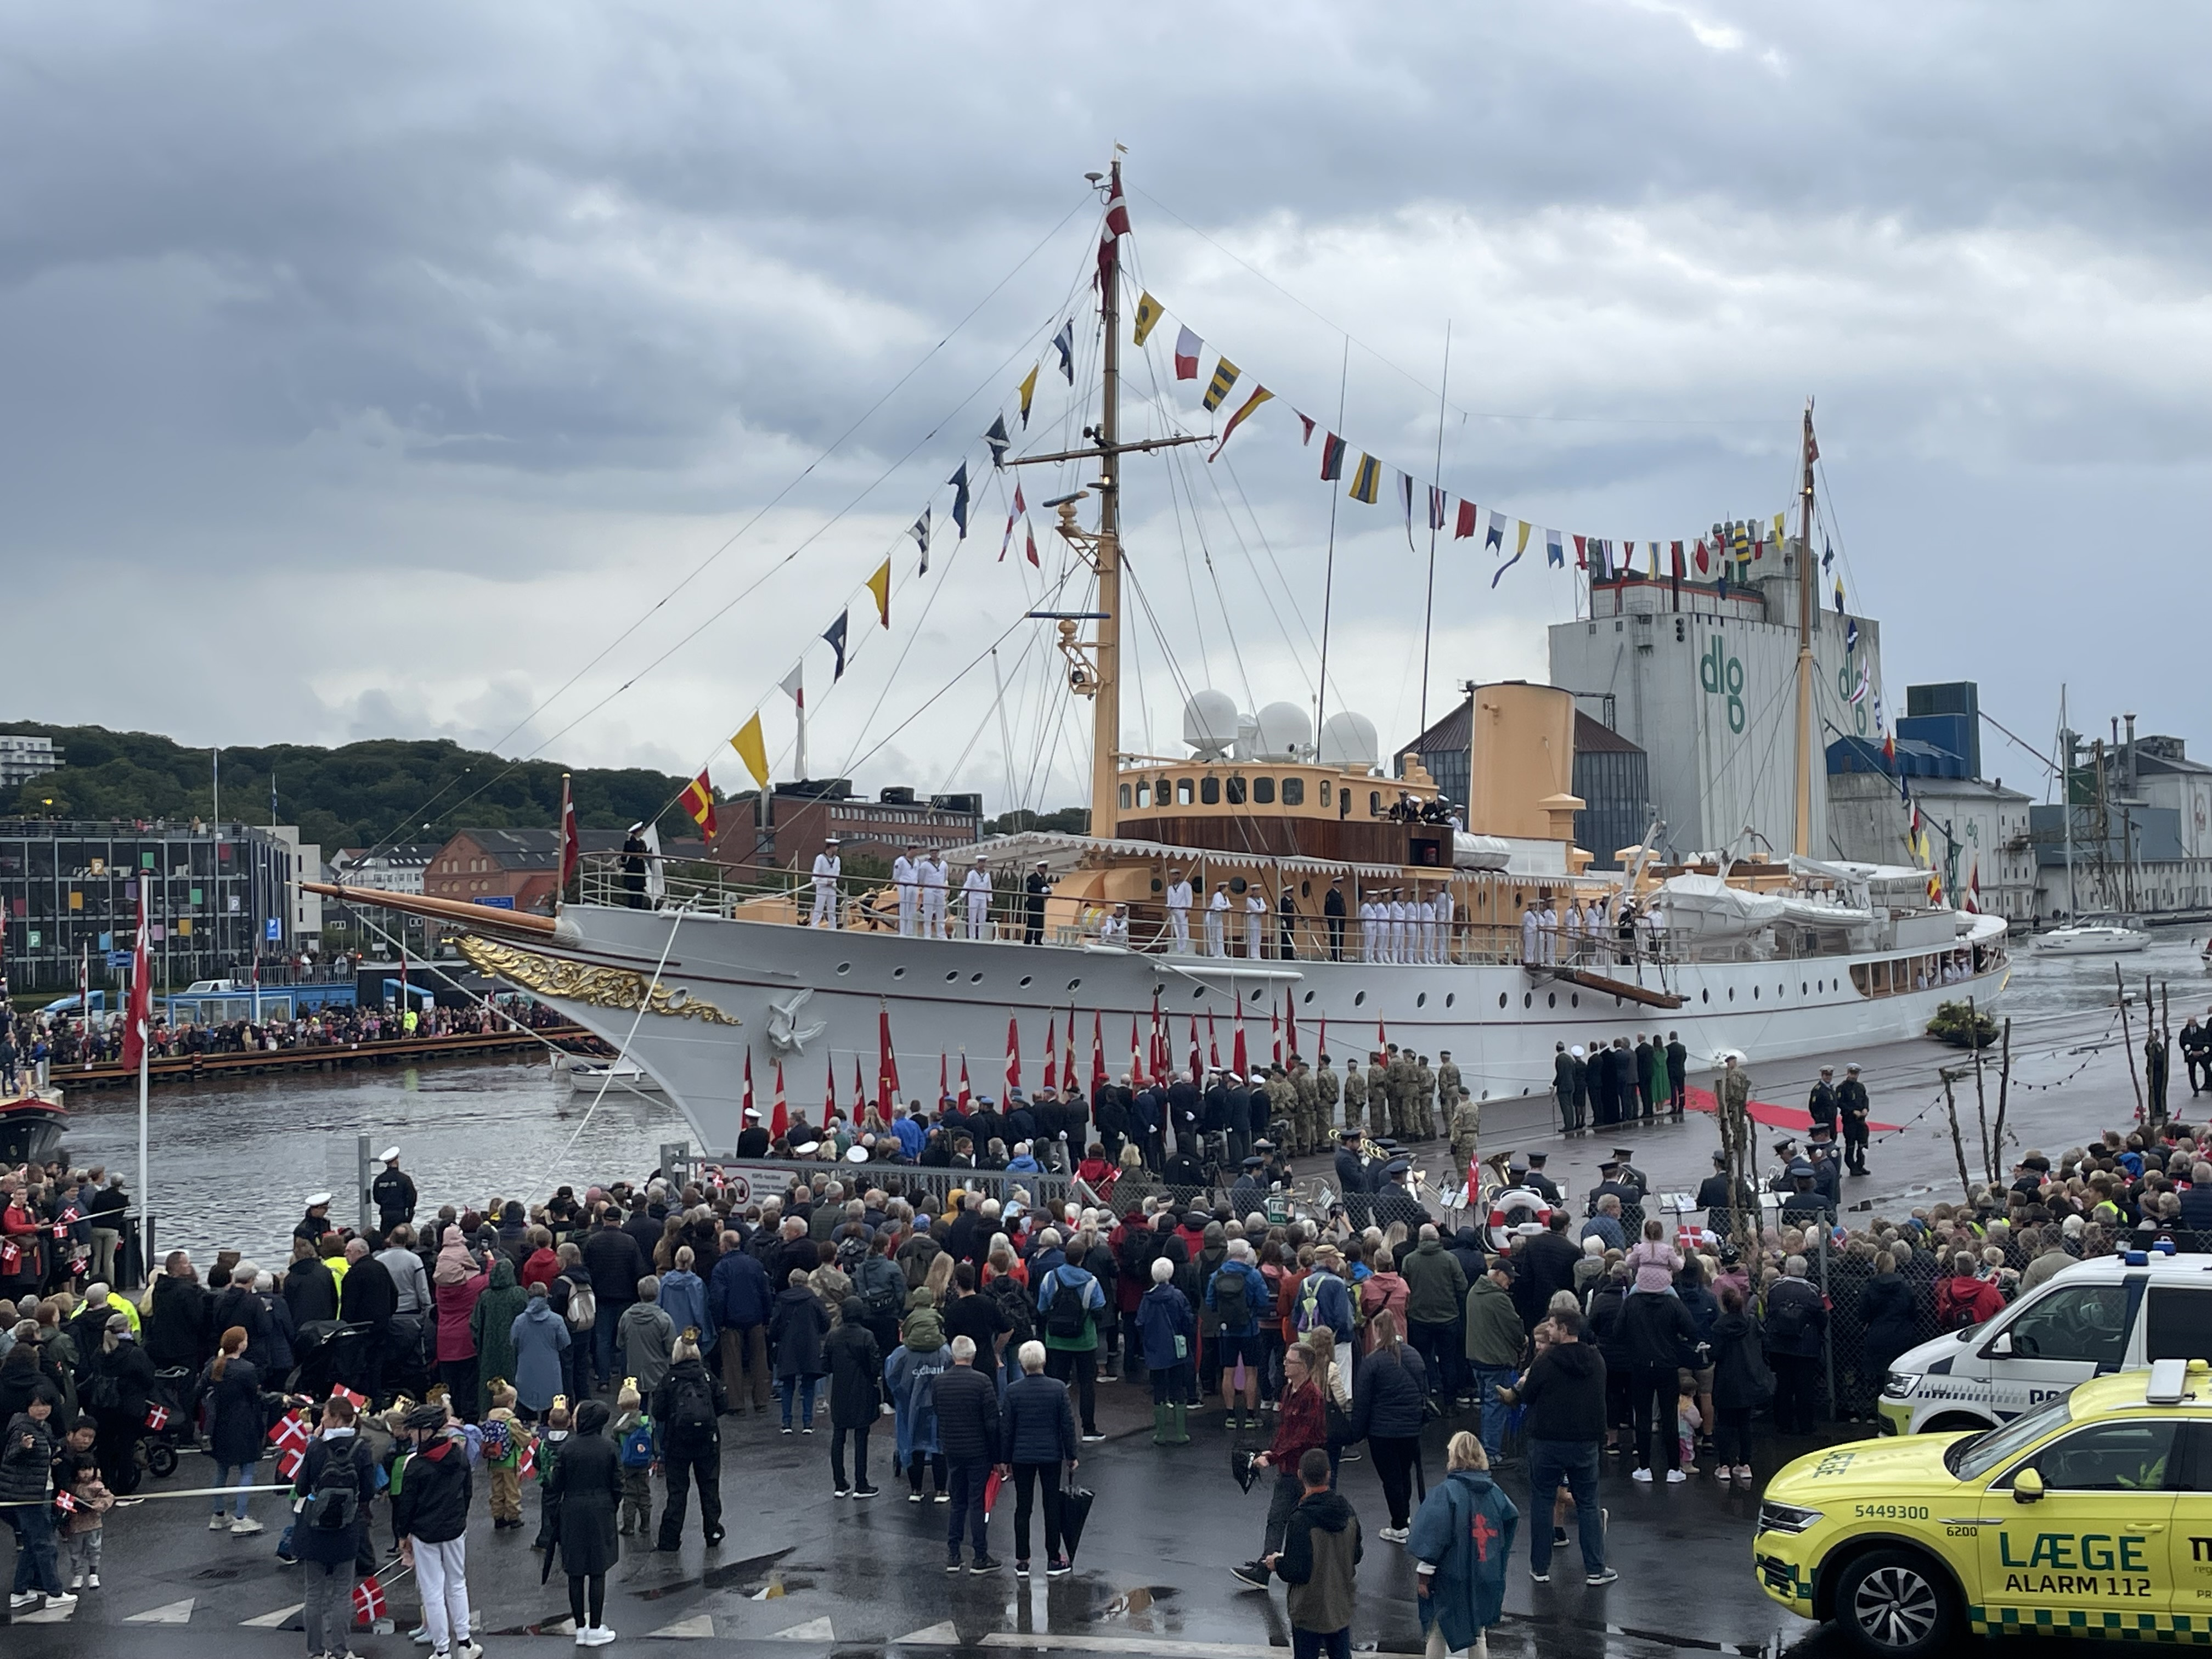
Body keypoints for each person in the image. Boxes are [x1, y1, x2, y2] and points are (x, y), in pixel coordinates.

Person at [1505, 1308, 1613, 1587]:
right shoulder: (1596, 1359)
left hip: (1547, 1440)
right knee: (1589, 1504)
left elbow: (1527, 1396)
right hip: (1586, 1441)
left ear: (1564, 1330)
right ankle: (1595, 1569)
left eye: (1552, 1326)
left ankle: (1540, 1568)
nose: (1549, 1330)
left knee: (1542, 1501)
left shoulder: (1546, 1361)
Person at [1410, 1432, 1517, 1659]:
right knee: (1478, 1632)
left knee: (1437, 1629)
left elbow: (1434, 1537)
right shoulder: (1495, 1493)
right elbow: (1510, 1518)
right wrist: (1496, 1559)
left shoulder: (1446, 1493)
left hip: (1451, 1576)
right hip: (1484, 1573)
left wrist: (1424, 1574)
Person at [1234, 1340, 1328, 1589]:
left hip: (1305, 1474)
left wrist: (1273, 1457)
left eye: (1290, 1361)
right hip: (1289, 1470)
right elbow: (1286, 1431)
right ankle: (1265, 1569)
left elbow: (1304, 1438)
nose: (1284, 1364)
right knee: (1276, 1519)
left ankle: (1321, 1571)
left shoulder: (1313, 1397)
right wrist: (1272, 1451)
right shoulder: (1288, 1391)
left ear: (1304, 1367)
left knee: (1311, 1525)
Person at [293, 1392, 375, 1659]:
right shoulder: (362, 1447)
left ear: (336, 1417)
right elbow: (368, 1493)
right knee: (342, 1592)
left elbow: (302, 1487)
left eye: (326, 1415)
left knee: (314, 1591)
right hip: (347, 1526)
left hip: (314, 1526)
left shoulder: (316, 1448)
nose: (322, 1419)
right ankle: (341, 1651)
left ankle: (315, 1652)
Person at [393, 1401, 478, 1659]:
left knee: (433, 1590)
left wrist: (402, 1534)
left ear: (427, 1432)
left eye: (415, 1430)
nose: (410, 1434)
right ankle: (465, 1643)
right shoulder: (459, 1456)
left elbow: (405, 1505)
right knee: (457, 1583)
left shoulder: (416, 1465)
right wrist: (459, 1519)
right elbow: (467, 1493)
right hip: (454, 1529)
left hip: (425, 1533)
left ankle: (442, 1650)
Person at [1265, 1447, 1362, 1659]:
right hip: (1340, 1605)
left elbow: (1297, 1571)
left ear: (1300, 1475)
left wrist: (1277, 1563)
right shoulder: (1348, 1512)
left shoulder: (1301, 1519)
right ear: (1329, 1474)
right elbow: (1356, 1555)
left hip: (1308, 1610)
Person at [998, 1339, 1079, 1577]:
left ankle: (1022, 1560)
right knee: (1051, 1505)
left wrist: (1005, 1458)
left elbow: (1007, 1428)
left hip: (1021, 1456)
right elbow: (1067, 1424)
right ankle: (1054, 1557)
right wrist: (1071, 1455)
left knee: (1023, 1507)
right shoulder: (1057, 1389)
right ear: (1044, 1361)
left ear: (1022, 1365)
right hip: (1050, 1455)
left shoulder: (1013, 1391)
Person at [549, 1398, 623, 1648]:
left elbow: (555, 1484)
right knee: (598, 1570)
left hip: (573, 1509)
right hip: (601, 1509)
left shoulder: (568, 1449)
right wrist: (611, 1505)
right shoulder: (610, 1448)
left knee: (576, 1571)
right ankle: (596, 1627)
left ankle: (580, 1627)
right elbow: (618, 1485)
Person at [1351, 1310, 1427, 1543]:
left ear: (1377, 1330)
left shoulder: (1373, 1361)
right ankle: (1404, 1515)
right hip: (1410, 1428)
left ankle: (1399, 1525)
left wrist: (1356, 1432)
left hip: (1382, 1431)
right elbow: (1424, 1388)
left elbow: (1362, 1401)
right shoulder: (1413, 1355)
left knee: (1391, 1477)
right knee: (1404, 1473)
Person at [652, 1333, 728, 1550]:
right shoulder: (707, 1377)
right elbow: (723, 1405)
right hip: (707, 1440)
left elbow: (658, 1412)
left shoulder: (669, 1379)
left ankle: (670, 1538)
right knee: (710, 1486)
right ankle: (712, 1531)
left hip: (677, 1442)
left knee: (677, 1490)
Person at [934, 1335, 1002, 1572]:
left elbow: (938, 1413)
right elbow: (992, 1423)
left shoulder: (940, 1382)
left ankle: (954, 1554)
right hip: (978, 1451)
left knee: (957, 1502)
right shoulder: (982, 1382)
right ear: (973, 1356)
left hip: (952, 1449)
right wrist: (998, 1457)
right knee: (977, 1503)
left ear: (954, 1356)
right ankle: (980, 1556)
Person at [1036, 1240, 1107, 1441]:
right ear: (1083, 1258)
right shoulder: (1092, 1282)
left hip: (1057, 1340)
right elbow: (1098, 1310)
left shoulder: (1051, 1278)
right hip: (1084, 1341)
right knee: (1087, 1384)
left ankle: (1054, 1428)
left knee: (1056, 1383)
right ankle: (1089, 1429)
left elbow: (1042, 1308)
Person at [200, 1324, 267, 1532]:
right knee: (247, 1470)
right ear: (241, 1345)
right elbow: (256, 1398)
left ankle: (219, 1514)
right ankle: (241, 1517)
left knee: (222, 1469)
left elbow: (199, 1389)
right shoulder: (247, 1369)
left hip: (220, 1424)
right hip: (244, 1425)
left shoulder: (213, 1365)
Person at [1206, 1238, 1273, 1429]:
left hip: (1227, 1330)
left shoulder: (1217, 1275)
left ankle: (1230, 1415)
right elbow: (1263, 1301)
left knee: (1229, 1371)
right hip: (1249, 1329)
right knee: (1251, 1371)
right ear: (1246, 1254)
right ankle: (1251, 1415)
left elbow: (1211, 1303)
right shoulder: (1253, 1276)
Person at [1462, 1260, 1523, 1463]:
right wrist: (1521, 1343)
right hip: (1496, 1360)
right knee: (1496, 1407)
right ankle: (1491, 1452)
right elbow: (1514, 1329)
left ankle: (1486, 1448)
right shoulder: (1499, 1299)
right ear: (1497, 1273)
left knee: (1487, 1407)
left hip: (1476, 1358)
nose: (1511, 1282)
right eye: (1509, 1277)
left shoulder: (1474, 1292)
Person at [823, 1296, 883, 1498]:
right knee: (861, 1436)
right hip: (862, 1390)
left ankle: (840, 1483)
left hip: (839, 1391)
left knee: (838, 1436)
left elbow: (826, 1365)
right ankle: (861, 1483)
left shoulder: (833, 1336)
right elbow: (875, 1365)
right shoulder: (867, 1336)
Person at [1763, 1255, 1828, 1436]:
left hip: (1780, 1345)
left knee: (1783, 1386)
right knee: (1804, 1388)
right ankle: (1806, 1424)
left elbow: (1772, 1311)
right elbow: (1824, 1316)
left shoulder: (1775, 1288)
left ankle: (1783, 1424)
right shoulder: (1814, 1290)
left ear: (1788, 1270)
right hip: (1805, 1346)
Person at [1707, 1283, 1766, 1484]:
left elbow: (1716, 1354)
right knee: (1744, 1423)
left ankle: (1724, 1465)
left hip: (1725, 1380)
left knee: (1724, 1423)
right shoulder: (1750, 1322)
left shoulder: (1719, 1326)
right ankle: (1745, 1464)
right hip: (1747, 1377)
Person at [1138, 1255, 1195, 1444]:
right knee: (1177, 1387)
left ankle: (1161, 1433)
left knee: (1159, 1389)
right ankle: (1180, 1433)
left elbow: (1140, 1323)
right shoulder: (1178, 1296)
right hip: (1175, 1347)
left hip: (1154, 1348)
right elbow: (1188, 1319)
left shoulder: (1147, 1298)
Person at [770, 1268, 828, 1432]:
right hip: (810, 1346)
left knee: (787, 1385)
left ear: (791, 1281)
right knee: (808, 1385)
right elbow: (826, 1322)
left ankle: (787, 1423)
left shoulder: (783, 1300)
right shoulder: (813, 1300)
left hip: (788, 1346)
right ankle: (807, 1423)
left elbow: (774, 1327)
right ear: (806, 1282)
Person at [1837, 1063, 1872, 1175]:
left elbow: (1865, 1099)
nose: (1854, 1076)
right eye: (1852, 1073)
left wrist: (1866, 1109)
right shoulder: (1842, 1088)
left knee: (1863, 1144)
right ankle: (1852, 1167)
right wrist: (1852, 1111)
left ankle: (1860, 1165)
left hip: (1861, 1121)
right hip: (1849, 1121)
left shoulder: (1860, 1087)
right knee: (1851, 1145)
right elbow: (1840, 1103)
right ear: (1848, 1073)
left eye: (1856, 1074)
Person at [810, 838, 842, 928]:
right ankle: (814, 926)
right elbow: (815, 874)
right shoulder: (820, 858)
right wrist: (825, 881)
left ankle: (833, 928)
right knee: (819, 908)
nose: (837, 849)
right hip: (822, 887)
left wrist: (832, 881)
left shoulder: (837, 859)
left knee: (832, 910)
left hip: (832, 888)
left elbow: (837, 872)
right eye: (835, 847)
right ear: (831, 847)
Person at [1023, 860, 1052, 945]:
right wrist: (1040, 891)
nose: (1045, 870)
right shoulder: (1032, 878)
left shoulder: (1043, 879)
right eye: (1044, 868)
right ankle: (1028, 940)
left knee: (1040, 923)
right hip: (1033, 903)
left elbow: (1046, 889)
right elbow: (1030, 890)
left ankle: (1038, 940)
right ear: (1040, 868)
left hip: (1040, 904)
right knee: (1032, 923)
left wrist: (1048, 891)